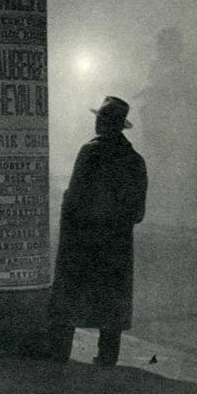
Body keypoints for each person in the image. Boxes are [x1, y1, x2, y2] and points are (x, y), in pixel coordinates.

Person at [47, 96, 148, 366]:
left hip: (83, 239)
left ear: (104, 122)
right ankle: (107, 356)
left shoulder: (90, 153)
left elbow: (74, 198)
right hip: (116, 244)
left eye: (99, 118)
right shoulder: (136, 161)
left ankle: (59, 353)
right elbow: (138, 213)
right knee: (112, 298)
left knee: (71, 294)